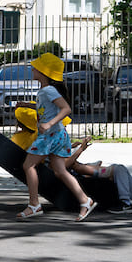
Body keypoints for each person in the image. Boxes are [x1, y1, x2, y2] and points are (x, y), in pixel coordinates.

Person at [17, 53, 96, 222]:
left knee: (28, 165)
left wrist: (48, 124)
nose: (32, 68)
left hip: (50, 136)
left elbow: (66, 109)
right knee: (60, 171)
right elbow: (46, 108)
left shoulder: (49, 90)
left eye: (36, 67)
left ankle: (34, 204)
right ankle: (85, 200)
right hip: (58, 135)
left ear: (43, 72)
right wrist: (27, 105)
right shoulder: (46, 91)